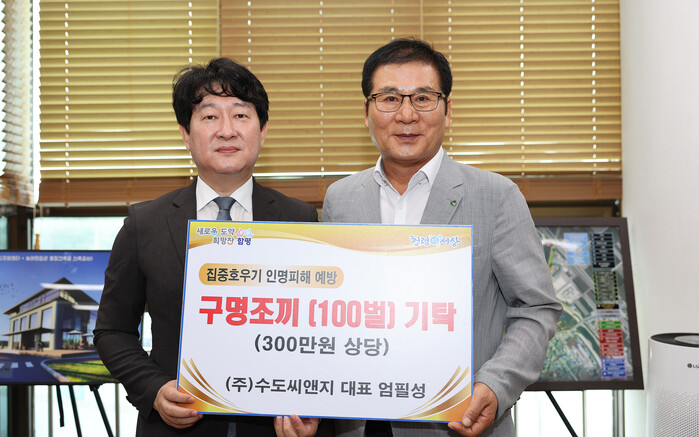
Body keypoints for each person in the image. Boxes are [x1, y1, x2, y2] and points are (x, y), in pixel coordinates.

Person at [321, 39, 563, 437]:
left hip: (459, 422)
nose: (406, 115)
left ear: (447, 111)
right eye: (389, 98)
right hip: (361, 424)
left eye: (422, 98)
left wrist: (495, 385)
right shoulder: (340, 199)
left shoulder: (496, 196)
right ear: (366, 112)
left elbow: (537, 307)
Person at [94, 58, 322, 437]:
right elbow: (112, 331)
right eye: (210, 116)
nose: (227, 130)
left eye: (241, 115)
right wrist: (155, 391)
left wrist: (312, 407)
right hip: (176, 427)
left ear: (263, 131)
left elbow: (318, 330)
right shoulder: (145, 223)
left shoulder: (299, 219)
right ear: (186, 134)